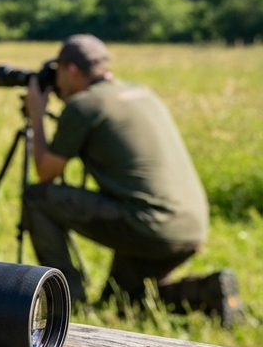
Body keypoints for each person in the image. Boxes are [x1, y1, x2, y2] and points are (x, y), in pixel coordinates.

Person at [23, 34, 239, 324]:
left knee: (37, 198)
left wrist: (37, 115)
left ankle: (68, 300)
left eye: (57, 71)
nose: (56, 81)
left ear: (71, 70)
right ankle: (207, 291)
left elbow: (47, 172)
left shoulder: (84, 105)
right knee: (122, 302)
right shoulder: (141, 92)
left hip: (146, 225)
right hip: (190, 226)